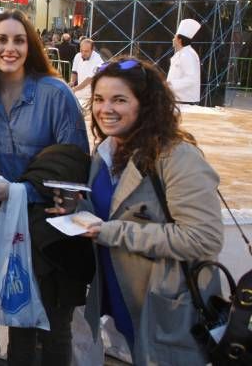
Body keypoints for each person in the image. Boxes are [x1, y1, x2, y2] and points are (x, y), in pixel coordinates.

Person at [0, 10, 89, 365]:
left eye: (18, 40)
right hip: (8, 221)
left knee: (53, 323)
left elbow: (75, 162)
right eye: (1, 40)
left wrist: (23, 192)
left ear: (30, 45)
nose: (9, 48)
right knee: (17, 314)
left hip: (52, 222)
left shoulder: (55, 93)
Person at [79, 57, 222, 364]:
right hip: (122, 295)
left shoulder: (177, 157)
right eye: (100, 99)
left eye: (120, 100)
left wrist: (112, 233)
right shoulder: (105, 150)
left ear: (145, 105)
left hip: (167, 305)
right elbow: (109, 210)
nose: (106, 109)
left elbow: (203, 238)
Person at [166, 18, 202, 104]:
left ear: (179, 40)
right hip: (177, 98)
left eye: (174, 37)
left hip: (185, 99)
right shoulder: (182, 53)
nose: (173, 39)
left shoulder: (188, 55)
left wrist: (170, 84)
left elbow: (191, 79)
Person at [70, 38, 104, 102]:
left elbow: (89, 79)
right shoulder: (78, 56)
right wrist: (72, 82)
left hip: (90, 96)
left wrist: (74, 89)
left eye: (86, 51)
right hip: (78, 95)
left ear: (92, 50)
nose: (83, 53)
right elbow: (74, 72)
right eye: (81, 50)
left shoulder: (97, 59)